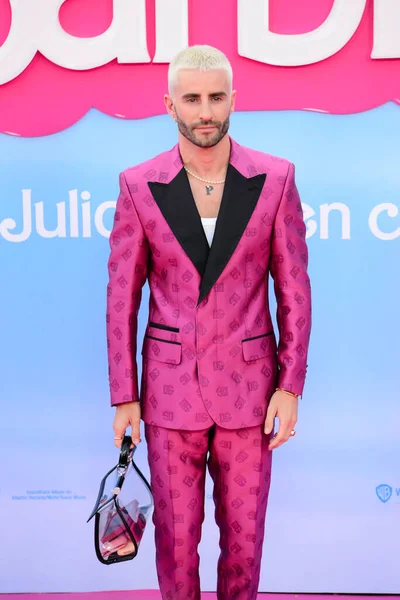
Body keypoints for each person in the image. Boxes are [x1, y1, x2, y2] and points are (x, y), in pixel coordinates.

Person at [106, 44, 312, 600]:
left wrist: (290, 386)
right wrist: (125, 395)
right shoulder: (138, 184)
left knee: (245, 545)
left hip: (251, 393)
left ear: (233, 100)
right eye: (191, 98)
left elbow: (294, 291)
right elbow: (121, 298)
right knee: (174, 546)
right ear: (168, 103)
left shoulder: (275, 179)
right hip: (169, 396)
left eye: (216, 97)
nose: (205, 112)